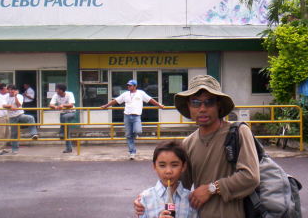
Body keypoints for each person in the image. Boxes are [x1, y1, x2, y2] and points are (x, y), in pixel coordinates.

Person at [135, 75, 260, 218]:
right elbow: (178, 186)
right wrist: (144, 200)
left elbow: (251, 177)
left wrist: (211, 188)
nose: (202, 108)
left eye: (209, 102)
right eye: (195, 102)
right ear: (188, 106)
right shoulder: (188, 143)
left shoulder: (238, 132)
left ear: (218, 105)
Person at [101, 79, 165, 160]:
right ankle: (132, 152)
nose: (128, 87)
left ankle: (133, 136)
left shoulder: (140, 93)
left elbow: (150, 100)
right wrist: (106, 106)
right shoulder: (125, 94)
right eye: (128, 85)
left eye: (130, 85)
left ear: (135, 86)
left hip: (136, 116)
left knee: (138, 131)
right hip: (127, 116)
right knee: (128, 135)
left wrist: (159, 105)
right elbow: (116, 100)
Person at [138, 140, 198, 218]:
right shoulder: (145, 198)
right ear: (154, 166)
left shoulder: (191, 199)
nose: (168, 171)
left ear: (183, 167)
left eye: (174, 165)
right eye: (162, 165)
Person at [3, 85, 39, 154]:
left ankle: (34, 134)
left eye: (12, 90)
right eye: (9, 90)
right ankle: (14, 149)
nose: (11, 91)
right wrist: (10, 106)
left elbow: (19, 105)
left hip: (20, 115)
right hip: (12, 117)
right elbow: (4, 105)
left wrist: (15, 96)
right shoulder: (5, 97)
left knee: (30, 118)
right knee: (14, 134)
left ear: (15, 90)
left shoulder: (19, 96)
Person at [49, 83, 77, 153]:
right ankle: (69, 148)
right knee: (66, 131)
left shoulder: (69, 94)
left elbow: (71, 104)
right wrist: (55, 107)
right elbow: (51, 104)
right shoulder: (56, 95)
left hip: (71, 113)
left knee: (64, 118)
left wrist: (63, 105)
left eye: (57, 89)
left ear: (61, 90)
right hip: (62, 114)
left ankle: (61, 133)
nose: (56, 91)